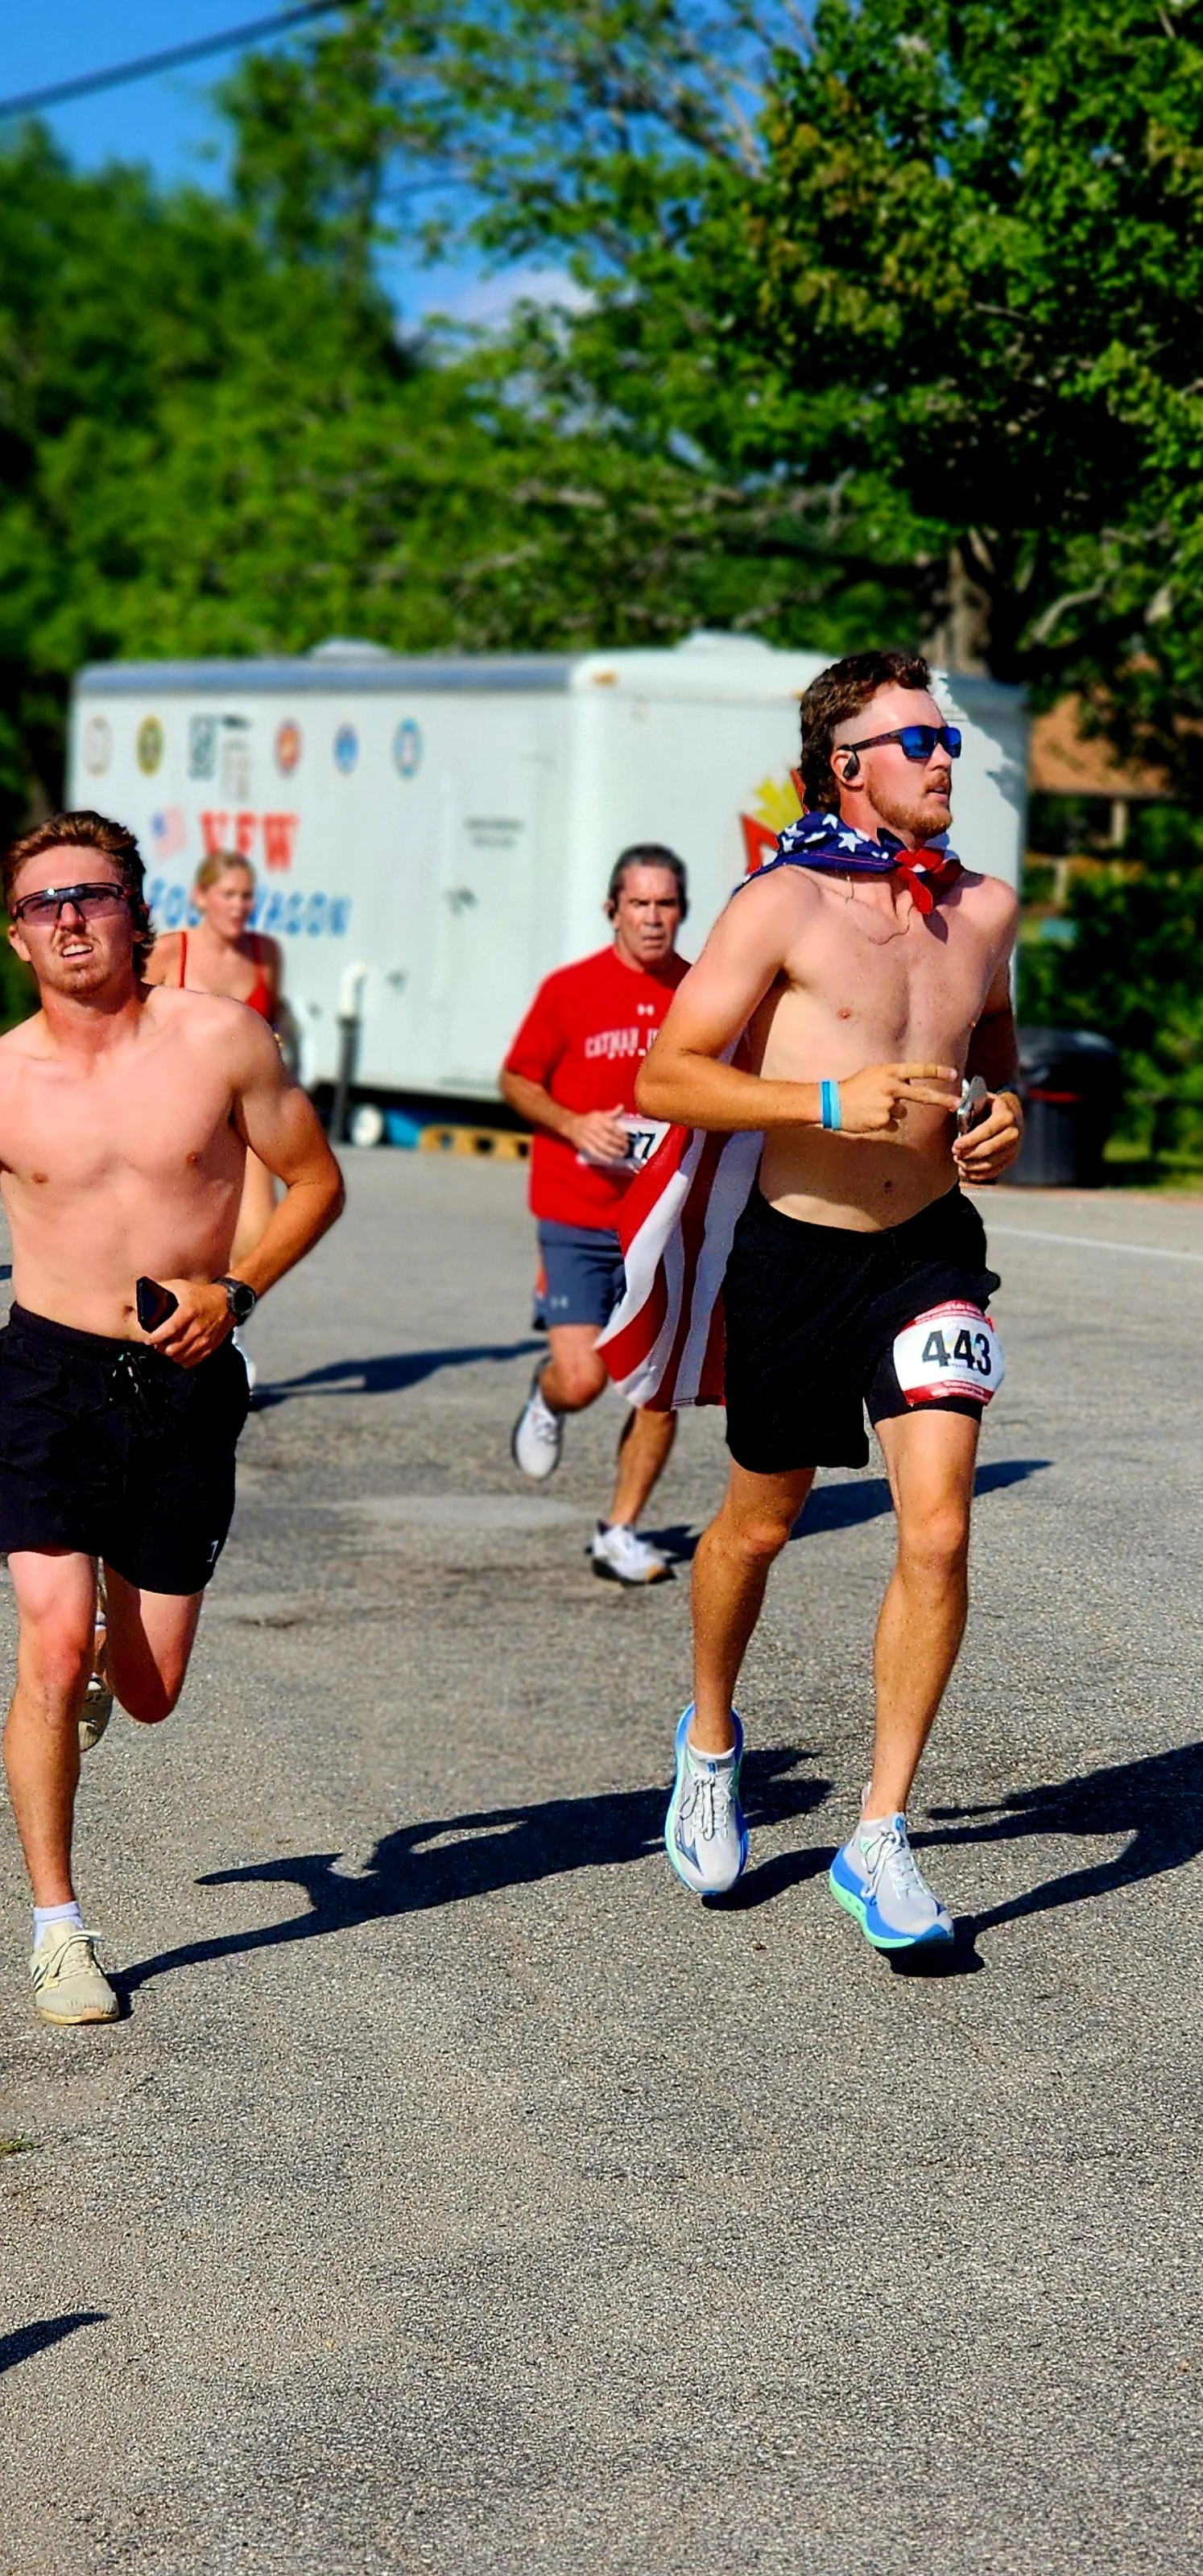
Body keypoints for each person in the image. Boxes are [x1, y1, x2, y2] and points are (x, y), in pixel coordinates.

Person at [634, 650, 1023, 1942]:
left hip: (929, 1252)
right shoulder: (779, 904)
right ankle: (708, 1740)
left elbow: (993, 1056)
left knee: (939, 1531)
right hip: (796, 1253)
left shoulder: (985, 908)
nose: (943, 758)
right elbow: (666, 1077)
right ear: (845, 765)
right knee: (757, 1527)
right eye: (918, 741)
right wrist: (820, 1100)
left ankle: (879, 1832)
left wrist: (1000, 1114)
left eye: (947, 739)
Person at [0, 809, 344, 2025]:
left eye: (90, 895)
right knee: (48, 1643)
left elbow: (316, 1181)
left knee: (148, 1691)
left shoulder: (221, 1038)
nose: (69, 919)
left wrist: (235, 1293)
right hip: (44, 1382)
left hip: (185, 1378)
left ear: (135, 913)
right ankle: (57, 1930)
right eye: (43, 904)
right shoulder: (5, 1073)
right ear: (16, 937)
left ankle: (110, 1649)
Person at [501, 846, 691, 1584]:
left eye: (666, 904)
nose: (653, 918)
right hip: (577, 1213)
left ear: (682, 911)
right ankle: (546, 1397)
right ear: (613, 909)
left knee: (659, 1388)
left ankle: (620, 1530)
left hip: (662, 1220)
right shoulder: (570, 990)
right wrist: (574, 1123)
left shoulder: (701, 992)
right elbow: (517, 1080)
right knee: (582, 1381)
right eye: (639, 903)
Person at [145, 852, 286, 1342]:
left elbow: (271, 1024)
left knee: (258, 1236)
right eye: (228, 894)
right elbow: (130, 1024)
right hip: (178, 1112)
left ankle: (225, 1333)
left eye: (247, 895)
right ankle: (164, 1336)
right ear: (201, 897)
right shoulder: (170, 953)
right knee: (174, 1239)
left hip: (247, 1111)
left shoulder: (266, 954)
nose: (239, 905)